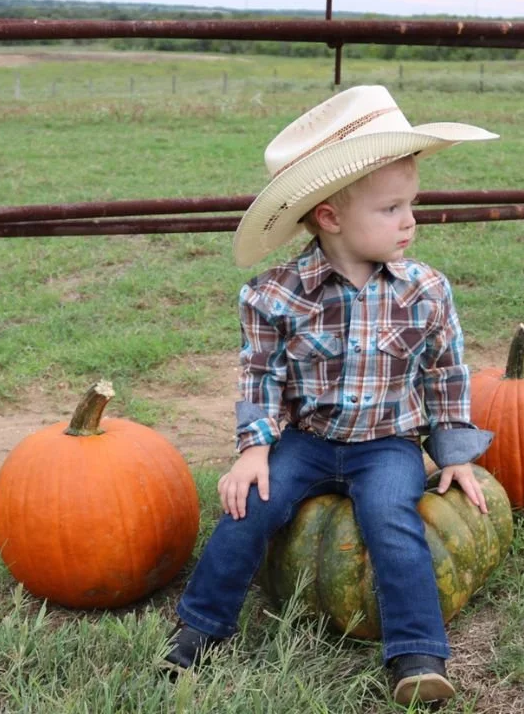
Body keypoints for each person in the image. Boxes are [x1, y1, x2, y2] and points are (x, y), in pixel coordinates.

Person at [163, 85, 499, 705]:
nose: (410, 222)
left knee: (392, 520)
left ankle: (417, 655)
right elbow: (260, 377)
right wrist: (254, 449)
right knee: (251, 508)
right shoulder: (275, 295)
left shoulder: (425, 290)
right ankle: (199, 629)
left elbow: (447, 374)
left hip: (387, 445)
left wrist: (453, 454)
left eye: (411, 204)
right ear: (330, 217)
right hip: (307, 443)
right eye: (391, 208)